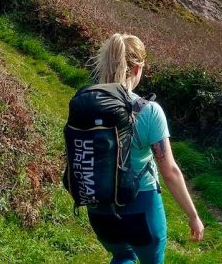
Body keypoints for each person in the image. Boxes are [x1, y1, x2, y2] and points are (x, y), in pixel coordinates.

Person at [87, 33, 204, 264]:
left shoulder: (87, 104)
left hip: (99, 207)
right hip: (141, 206)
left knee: (122, 256)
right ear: (138, 68)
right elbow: (169, 171)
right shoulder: (149, 111)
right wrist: (193, 216)